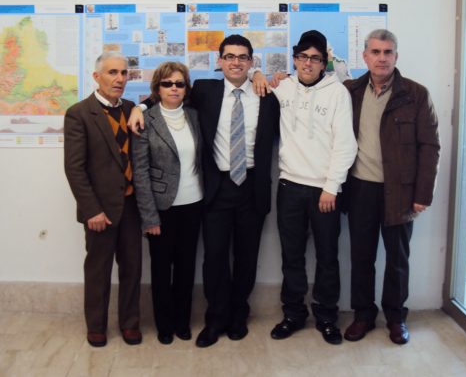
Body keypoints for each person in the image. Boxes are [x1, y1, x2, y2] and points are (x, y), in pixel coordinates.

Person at [128, 35, 279, 348]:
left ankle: (238, 316)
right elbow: (168, 96)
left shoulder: (267, 96)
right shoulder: (205, 91)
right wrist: (140, 107)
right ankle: (216, 319)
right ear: (219, 61)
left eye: (243, 57)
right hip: (216, 189)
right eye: (229, 56)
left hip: (253, 188)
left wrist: (260, 77)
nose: (235, 62)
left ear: (251, 62)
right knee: (214, 259)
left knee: (247, 257)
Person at [342, 29, 440, 345]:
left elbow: (430, 146)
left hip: (400, 191)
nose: (382, 58)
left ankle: (396, 318)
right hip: (360, 189)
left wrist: (422, 194)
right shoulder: (350, 91)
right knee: (362, 257)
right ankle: (363, 315)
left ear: (396, 56)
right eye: (376, 52)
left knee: (398, 259)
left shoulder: (416, 94)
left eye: (388, 52)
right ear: (365, 56)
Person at [266, 30, 357, 345]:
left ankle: (327, 316)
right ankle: (293, 314)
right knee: (291, 256)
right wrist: (260, 76)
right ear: (294, 59)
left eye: (315, 58)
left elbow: (346, 145)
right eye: (302, 57)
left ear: (323, 63)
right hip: (289, 186)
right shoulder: (283, 88)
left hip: (324, 191)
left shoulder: (338, 93)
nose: (308, 63)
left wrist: (331, 186)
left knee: (327, 257)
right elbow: (252, 83)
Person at [64, 51, 142, 348]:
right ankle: (96, 326)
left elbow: (155, 101)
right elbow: (74, 168)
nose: (119, 79)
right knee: (98, 270)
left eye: (123, 73)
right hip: (100, 210)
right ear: (96, 77)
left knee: (133, 268)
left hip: (131, 206)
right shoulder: (79, 113)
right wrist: (91, 210)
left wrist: (142, 107)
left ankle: (130, 323)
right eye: (112, 72)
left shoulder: (131, 108)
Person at [131, 62, 203, 345]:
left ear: (186, 88)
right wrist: (149, 217)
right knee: (161, 271)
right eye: (167, 83)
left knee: (186, 268)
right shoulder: (145, 120)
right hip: (162, 209)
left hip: (194, 204)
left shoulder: (194, 115)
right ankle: (164, 324)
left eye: (179, 83)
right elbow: (140, 172)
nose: (174, 88)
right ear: (157, 88)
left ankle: (182, 321)